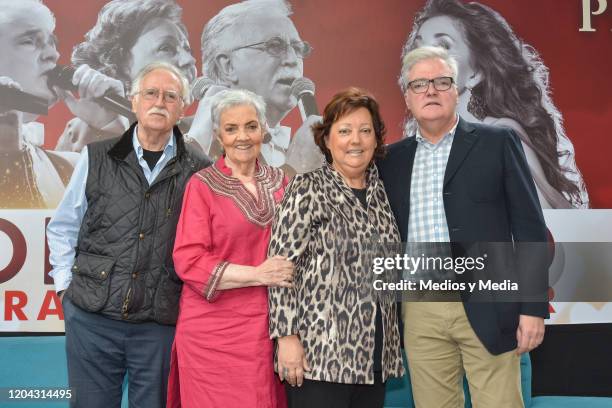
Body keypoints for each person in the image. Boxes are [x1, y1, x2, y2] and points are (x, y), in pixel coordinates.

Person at [377, 46, 549, 407]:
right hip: (420, 308)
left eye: (442, 81)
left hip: (489, 299)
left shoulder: (498, 143)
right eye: (419, 84)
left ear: (457, 90)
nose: (431, 91)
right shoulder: (391, 160)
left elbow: (530, 228)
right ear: (407, 96)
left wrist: (533, 307)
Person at [47, 61, 211, 408]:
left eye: (170, 96)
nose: (159, 102)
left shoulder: (199, 169)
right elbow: (63, 227)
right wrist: (65, 287)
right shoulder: (96, 156)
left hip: (159, 325)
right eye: (150, 93)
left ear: (182, 107)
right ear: (134, 101)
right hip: (91, 317)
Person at [268, 88, 404, 408]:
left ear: (376, 140)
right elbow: (281, 267)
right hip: (319, 359)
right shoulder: (307, 187)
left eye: (364, 131)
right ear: (327, 140)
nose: (355, 140)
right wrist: (287, 338)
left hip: (375, 358)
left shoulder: (385, 194)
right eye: (344, 131)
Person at [401, 0, 588, 208]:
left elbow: (544, 223)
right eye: (419, 47)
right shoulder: (415, 148)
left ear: (475, 74)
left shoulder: (502, 137)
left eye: (443, 46)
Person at [168, 89, 290, 408]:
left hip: (267, 328)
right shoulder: (202, 185)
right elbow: (189, 260)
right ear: (219, 136)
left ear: (264, 130)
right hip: (210, 331)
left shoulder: (283, 183)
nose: (242, 137)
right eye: (231, 128)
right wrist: (258, 274)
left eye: (251, 126)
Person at [0, 0, 123, 208]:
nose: (53, 54)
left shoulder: (65, 169)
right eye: (29, 41)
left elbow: (126, 208)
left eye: (51, 42)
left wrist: (110, 124)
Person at [189, 0, 323, 176]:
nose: (292, 59)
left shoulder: (308, 150)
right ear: (227, 66)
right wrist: (295, 169)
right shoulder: (180, 139)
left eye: (298, 48)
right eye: (275, 46)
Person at [55, 0, 197, 152]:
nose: (190, 60)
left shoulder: (208, 129)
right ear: (116, 66)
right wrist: (109, 127)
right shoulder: (87, 131)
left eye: (187, 50)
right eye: (166, 48)